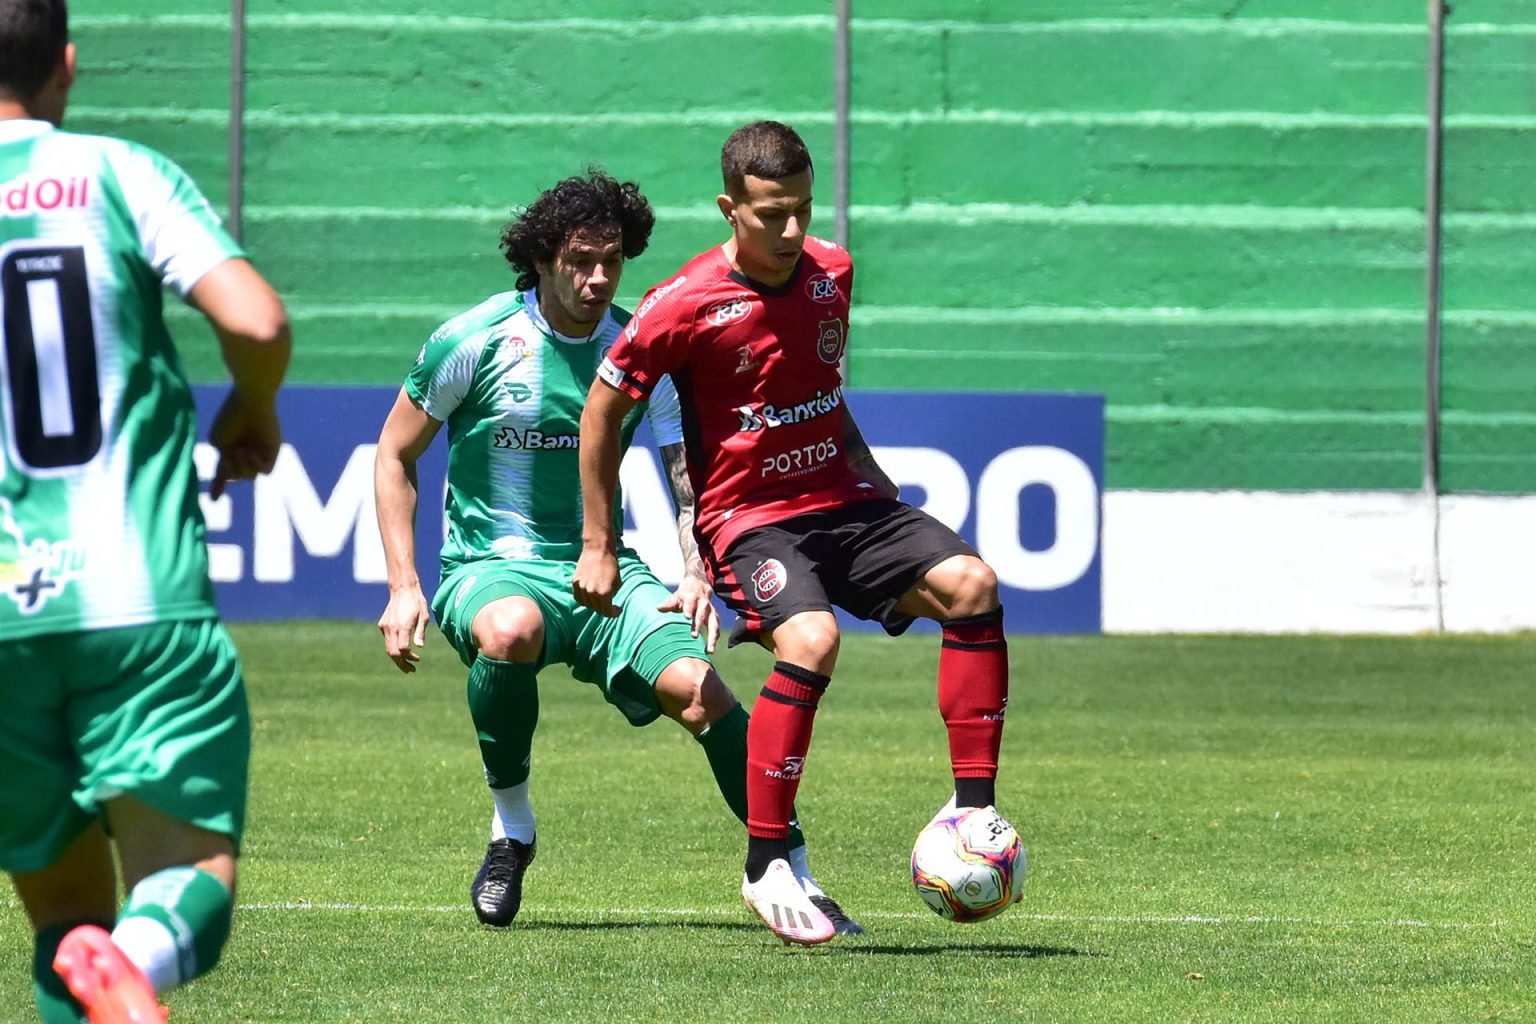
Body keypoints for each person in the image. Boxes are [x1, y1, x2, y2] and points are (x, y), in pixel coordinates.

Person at [373, 169, 859, 935]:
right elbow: (394, 456)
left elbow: (690, 477)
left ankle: (786, 864)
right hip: (489, 567)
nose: (599, 278)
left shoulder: (644, 348)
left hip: (603, 569)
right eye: (579, 260)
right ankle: (512, 830)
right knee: (509, 630)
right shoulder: (472, 340)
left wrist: (698, 568)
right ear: (541, 258)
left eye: (613, 260)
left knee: (703, 690)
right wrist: (404, 586)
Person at [574, 121, 1013, 946]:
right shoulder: (682, 304)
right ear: (729, 206)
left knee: (973, 585)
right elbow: (604, 413)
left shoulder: (834, 274)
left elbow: (819, 390)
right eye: (771, 213)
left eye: (802, 211)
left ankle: (973, 811)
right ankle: (766, 861)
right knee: (810, 639)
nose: (790, 231)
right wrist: (599, 542)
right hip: (749, 519)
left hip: (844, 500)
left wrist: (871, 475)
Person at [0, 2, 293, 1020]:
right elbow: (256, 318)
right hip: (135, 596)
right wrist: (252, 411)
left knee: (64, 923)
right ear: (67, 66)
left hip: (1, 619)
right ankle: (143, 960)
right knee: (184, 883)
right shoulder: (118, 173)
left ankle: (104, 967)